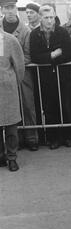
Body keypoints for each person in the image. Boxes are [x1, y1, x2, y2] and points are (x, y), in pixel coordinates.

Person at [30, 4, 71, 149]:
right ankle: (53, 138)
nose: (50, 21)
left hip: (62, 75)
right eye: (46, 17)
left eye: (52, 17)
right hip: (44, 77)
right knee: (49, 108)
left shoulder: (62, 32)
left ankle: (67, 136)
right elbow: (34, 56)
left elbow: (68, 53)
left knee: (65, 106)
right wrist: (52, 55)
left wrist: (54, 59)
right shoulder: (35, 34)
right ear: (40, 18)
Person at [0, 0, 39, 151]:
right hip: (3, 77)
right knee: (6, 111)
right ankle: (10, 145)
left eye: (12, 7)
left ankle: (31, 138)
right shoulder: (0, 31)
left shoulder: (25, 30)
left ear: (16, 9)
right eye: (6, 8)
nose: (10, 11)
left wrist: (16, 70)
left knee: (27, 106)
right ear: (2, 10)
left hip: (22, 74)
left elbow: (28, 55)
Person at [0, 28, 25, 172]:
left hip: (7, 89)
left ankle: (12, 157)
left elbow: (19, 66)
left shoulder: (10, 40)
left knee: (10, 126)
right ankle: (0, 156)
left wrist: (12, 83)